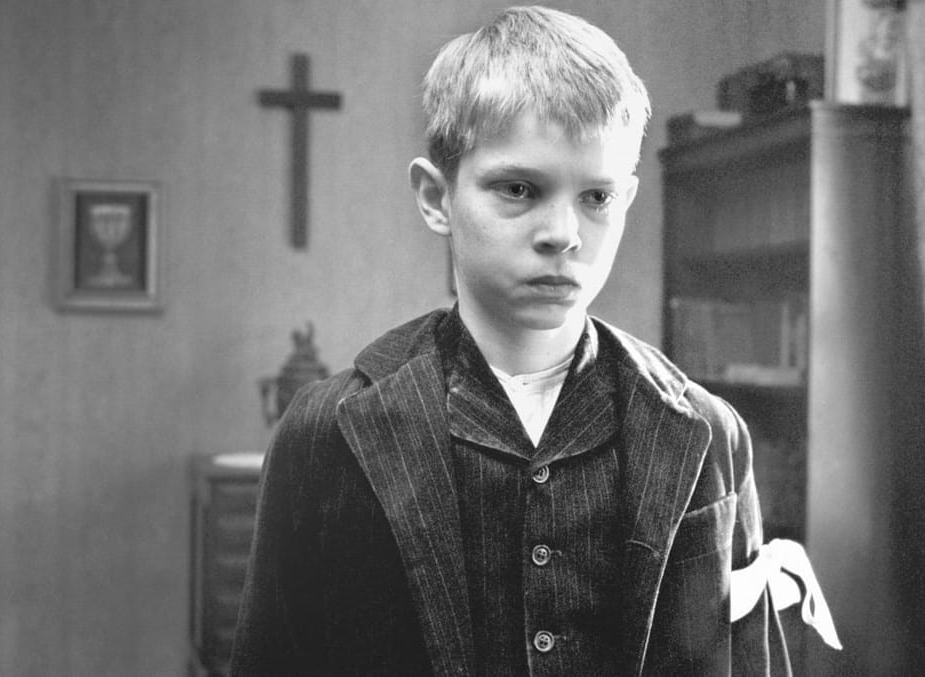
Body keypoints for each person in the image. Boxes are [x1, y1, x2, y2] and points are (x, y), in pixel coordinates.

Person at [230, 6, 799, 675]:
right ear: (436, 197)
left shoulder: (705, 432)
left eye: (596, 197)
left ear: (627, 199)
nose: (563, 233)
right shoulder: (326, 432)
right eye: (520, 189)